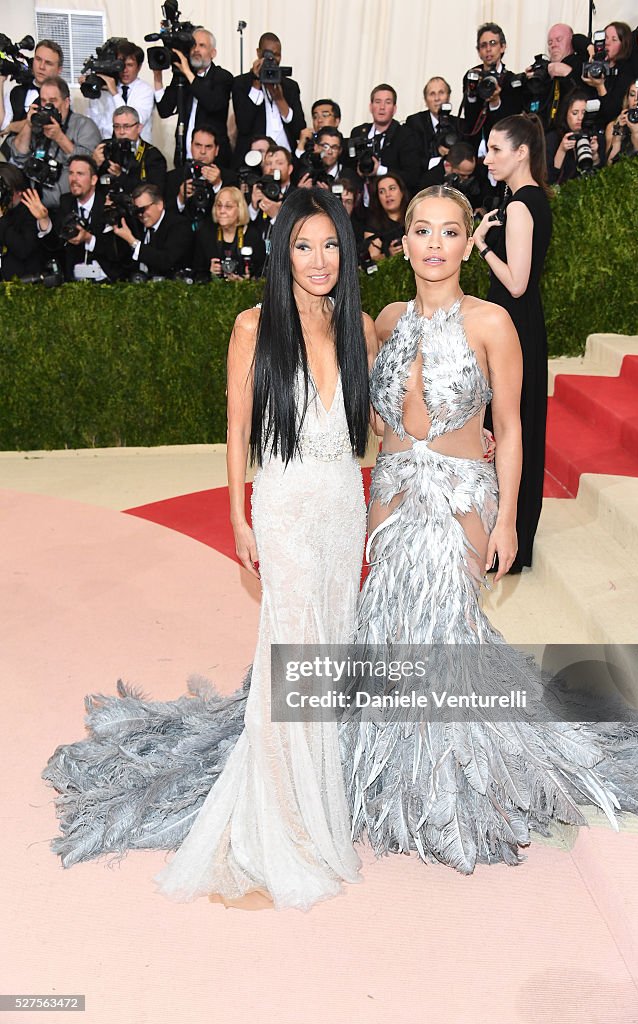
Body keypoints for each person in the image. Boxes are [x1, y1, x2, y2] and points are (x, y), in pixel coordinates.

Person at [42, 187, 377, 912]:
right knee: (290, 655)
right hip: (285, 508)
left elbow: (382, 421)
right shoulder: (253, 325)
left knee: (327, 654)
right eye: (303, 245)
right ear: (280, 250)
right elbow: (236, 431)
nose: (318, 261)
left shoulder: (360, 327)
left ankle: (314, 811)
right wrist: (239, 518)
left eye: (329, 246)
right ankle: (271, 829)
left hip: (342, 509)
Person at [338, 184, 638, 873]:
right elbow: (379, 415)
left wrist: (511, 521)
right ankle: (384, 770)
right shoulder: (385, 320)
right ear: (402, 242)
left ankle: (447, 781)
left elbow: (514, 428)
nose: (434, 244)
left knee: (442, 630)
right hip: (392, 491)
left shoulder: (494, 322)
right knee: (388, 626)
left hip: (463, 497)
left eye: (449, 231)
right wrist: (379, 438)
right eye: (421, 230)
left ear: (468, 242)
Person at [473, 113, 552, 573]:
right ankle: (507, 536)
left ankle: (507, 540)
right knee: (513, 426)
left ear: (521, 152)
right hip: (519, 327)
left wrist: (483, 245)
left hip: (515, 328)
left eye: (496, 149)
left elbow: (517, 283)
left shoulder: (522, 205)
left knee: (509, 427)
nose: (488, 158)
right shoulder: (528, 199)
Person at [23, 154, 128, 282]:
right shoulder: (66, 202)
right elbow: (55, 246)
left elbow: (119, 251)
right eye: (71, 173)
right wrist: (44, 219)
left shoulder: (108, 203)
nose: (74, 179)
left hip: (108, 280)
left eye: (80, 174)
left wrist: (89, 239)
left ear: (93, 180)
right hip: (74, 282)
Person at [7, 76, 101, 209]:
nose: (47, 106)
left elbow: (89, 163)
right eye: (43, 101)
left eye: (52, 101)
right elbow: (18, 155)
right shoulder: (37, 124)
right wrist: (28, 125)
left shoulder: (84, 125)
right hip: (35, 206)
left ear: (66, 102)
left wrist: (60, 137)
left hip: (69, 208)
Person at [154, 27, 233, 168]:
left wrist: (188, 73)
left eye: (202, 46)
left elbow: (212, 103)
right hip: (185, 158)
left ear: (213, 53)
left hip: (214, 161)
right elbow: (164, 110)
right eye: (193, 45)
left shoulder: (222, 77)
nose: (196, 50)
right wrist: (157, 76)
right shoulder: (182, 77)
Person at [231, 33, 306, 166]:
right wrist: (256, 82)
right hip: (253, 160)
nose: (272, 59)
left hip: (286, 160)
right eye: (268, 54)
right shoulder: (241, 83)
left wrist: (280, 99)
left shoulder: (290, 86)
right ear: (258, 53)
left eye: (277, 55)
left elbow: (299, 129)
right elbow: (244, 125)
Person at [461, 23, 524, 152]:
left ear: (502, 47)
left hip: (502, 147)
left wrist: (495, 102)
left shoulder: (512, 80)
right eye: (483, 45)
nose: (488, 49)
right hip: (474, 144)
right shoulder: (472, 75)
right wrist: (472, 95)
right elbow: (470, 118)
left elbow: (509, 123)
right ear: (478, 51)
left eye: (493, 43)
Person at [112, 183, 194, 278]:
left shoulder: (179, 225)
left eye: (143, 209)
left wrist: (133, 242)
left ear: (159, 204)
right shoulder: (136, 224)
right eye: (137, 211)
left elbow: (166, 261)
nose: (141, 215)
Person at [85, 41, 155, 144]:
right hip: (107, 147)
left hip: (137, 151)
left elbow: (134, 120)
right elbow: (93, 120)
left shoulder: (145, 90)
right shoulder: (105, 87)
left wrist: (115, 93)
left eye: (129, 65)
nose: (124, 70)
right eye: (121, 65)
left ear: (139, 67)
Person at [193, 185, 265, 279]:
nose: (222, 211)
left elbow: (262, 274)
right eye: (219, 205)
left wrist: (247, 281)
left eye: (228, 206)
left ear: (240, 209)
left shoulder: (253, 236)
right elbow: (196, 273)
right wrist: (209, 273)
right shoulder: (206, 234)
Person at [93, 105, 167, 195]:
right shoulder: (106, 149)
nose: (121, 132)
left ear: (139, 128)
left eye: (126, 126)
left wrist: (120, 176)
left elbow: (154, 194)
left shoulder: (152, 155)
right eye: (117, 126)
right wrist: (94, 165)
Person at [545, 92, 602, 183]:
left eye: (584, 113)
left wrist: (594, 155)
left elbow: (601, 175)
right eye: (575, 113)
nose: (580, 118)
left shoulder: (592, 136)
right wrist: (562, 150)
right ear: (566, 113)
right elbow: (549, 179)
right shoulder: (553, 138)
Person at [0, 164, 44, 279]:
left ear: (18, 191)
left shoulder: (31, 211)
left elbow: (23, 250)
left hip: (23, 284)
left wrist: (2, 219)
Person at [362, 172, 409, 263]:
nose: (388, 194)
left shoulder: (414, 216)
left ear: (402, 192)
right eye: (382, 192)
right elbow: (371, 260)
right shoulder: (374, 225)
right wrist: (388, 254)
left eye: (392, 188)